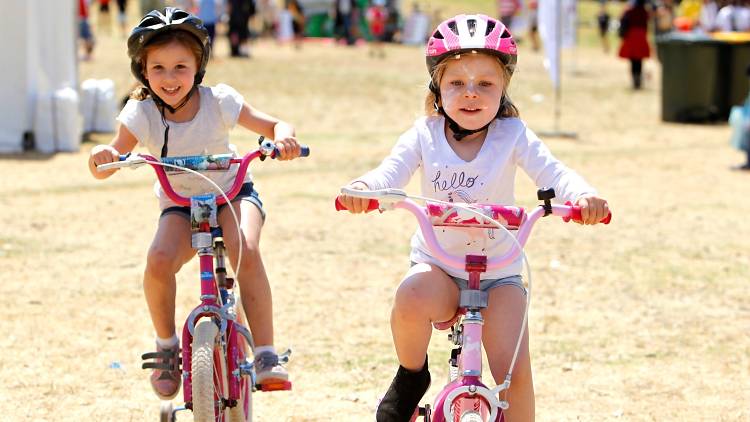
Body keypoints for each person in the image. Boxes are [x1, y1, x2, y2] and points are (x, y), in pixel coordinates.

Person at [338, 14, 610, 422]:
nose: (470, 94)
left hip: (499, 272)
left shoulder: (513, 134)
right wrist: (365, 189)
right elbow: (389, 174)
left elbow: (554, 174)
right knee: (410, 298)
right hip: (440, 266)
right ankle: (411, 376)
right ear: (437, 88)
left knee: (514, 375)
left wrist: (583, 196)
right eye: (457, 83)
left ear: (503, 89)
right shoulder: (423, 134)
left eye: (485, 83)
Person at [87, 7, 302, 400]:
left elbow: (274, 126)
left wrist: (282, 139)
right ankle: (168, 346)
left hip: (231, 193)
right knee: (157, 261)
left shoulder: (218, 101)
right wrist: (103, 157)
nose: (170, 78)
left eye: (180, 67)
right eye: (159, 68)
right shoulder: (141, 112)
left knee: (245, 247)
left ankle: (267, 353)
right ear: (143, 71)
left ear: (199, 66)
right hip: (180, 203)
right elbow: (114, 154)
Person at [618, 0, 651, 90]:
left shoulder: (629, 11)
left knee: (633, 59)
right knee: (639, 60)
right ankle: (638, 80)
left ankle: (635, 80)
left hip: (632, 36)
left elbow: (623, 21)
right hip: (641, 36)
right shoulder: (644, 12)